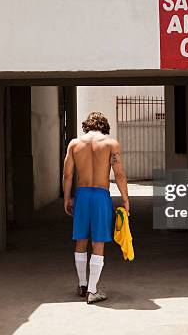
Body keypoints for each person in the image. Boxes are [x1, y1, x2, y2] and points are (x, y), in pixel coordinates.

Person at [62, 112, 130, 304]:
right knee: (98, 242)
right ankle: (93, 290)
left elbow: (67, 174)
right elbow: (119, 174)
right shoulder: (110, 144)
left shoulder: (75, 144)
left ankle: (82, 284)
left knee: (81, 240)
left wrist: (67, 198)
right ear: (104, 127)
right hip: (100, 195)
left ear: (86, 126)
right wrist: (125, 198)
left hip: (82, 195)